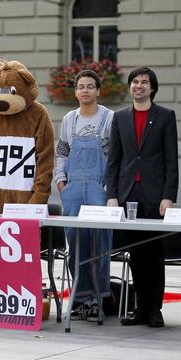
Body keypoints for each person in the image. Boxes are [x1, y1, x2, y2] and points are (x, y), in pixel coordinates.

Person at [106, 66, 178, 328]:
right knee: (135, 253)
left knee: (154, 253)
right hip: (127, 195)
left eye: (144, 82)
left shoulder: (166, 116)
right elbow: (114, 160)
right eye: (135, 82)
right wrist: (112, 194)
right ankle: (139, 308)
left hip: (154, 195)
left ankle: (154, 309)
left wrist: (169, 196)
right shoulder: (120, 117)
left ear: (152, 88)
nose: (139, 86)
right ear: (130, 87)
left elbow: (172, 161)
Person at [54, 70, 114, 321]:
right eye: (81, 86)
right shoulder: (69, 119)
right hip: (73, 189)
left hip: (99, 188)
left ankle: (99, 299)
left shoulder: (110, 118)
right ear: (75, 92)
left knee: (100, 244)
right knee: (76, 243)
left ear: (99, 91)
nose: (86, 90)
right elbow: (62, 152)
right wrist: (61, 182)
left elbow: (114, 157)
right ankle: (80, 299)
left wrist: (110, 190)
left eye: (91, 86)